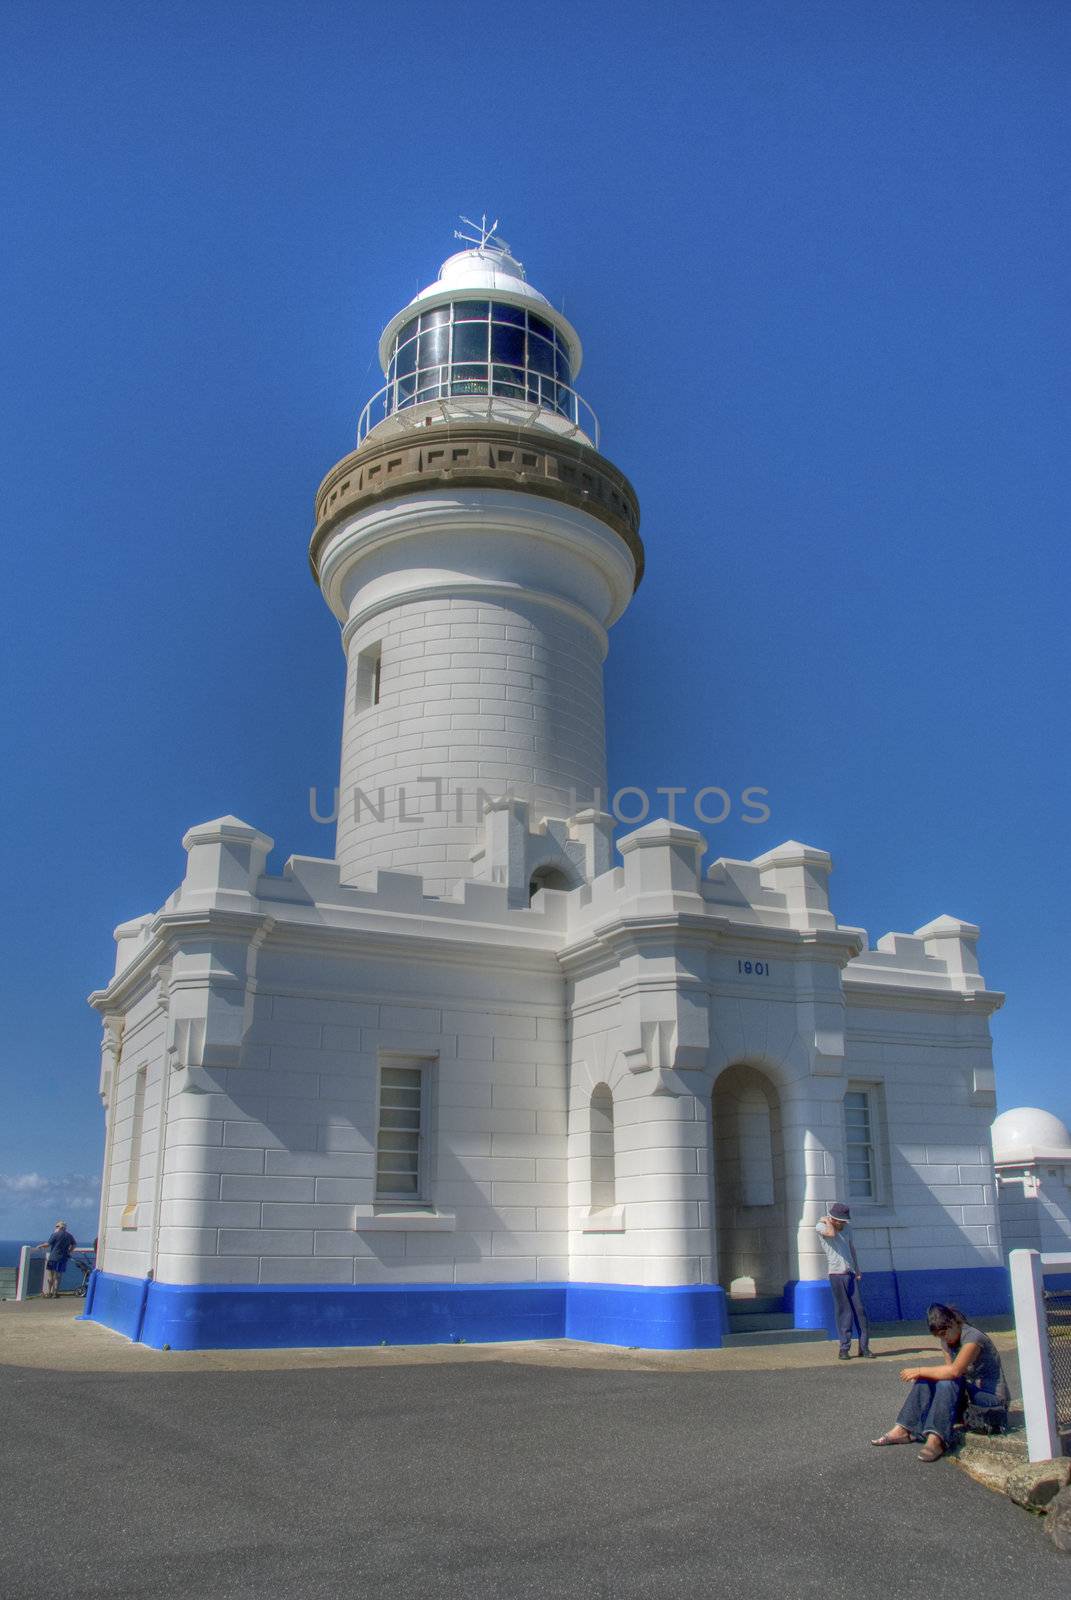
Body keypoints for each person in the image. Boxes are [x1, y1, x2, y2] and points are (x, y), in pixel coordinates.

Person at [870, 1302, 1010, 1461]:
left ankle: (936, 1439)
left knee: (945, 1379)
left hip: (991, 1403)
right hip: (969, 1400)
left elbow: (954, 1371)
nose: (944, 1338)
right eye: (939, 1336)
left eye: (945, 1333)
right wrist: (925, 1374)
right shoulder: (947, 1341)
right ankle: (903, 1429)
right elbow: (948, 1373)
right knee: (929, 1378)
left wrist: (919, 1370)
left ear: (953, 1323)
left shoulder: (973, 1338)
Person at [816, 1202, 873, 1359]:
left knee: (860, 1311)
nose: (843, 1224)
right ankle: (844, 1348)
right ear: (833, 1219)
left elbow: (851, 1247)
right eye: (840, 1221)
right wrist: (827, 1221)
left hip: (850, 1273)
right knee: (844, 1312)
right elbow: (831, 1234)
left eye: (844, 1221)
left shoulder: (847, 1228)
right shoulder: (821, 1226)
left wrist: (857, 1268)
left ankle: (864, 1347)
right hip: (836, 1274)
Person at [37, 1220, 77, 1298]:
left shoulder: (55, 1234)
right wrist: (69, 1251)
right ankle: (55, 1293)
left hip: (53, 1258)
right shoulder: (69, 1236)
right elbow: (74, 1244)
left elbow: (48, 1244)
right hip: (63, 1258)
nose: (55, 1228)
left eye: (56, 1226)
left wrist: (40, 1246)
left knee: (51, 1276)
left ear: (59, 1227)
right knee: (58, 1276)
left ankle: (49, 1292)